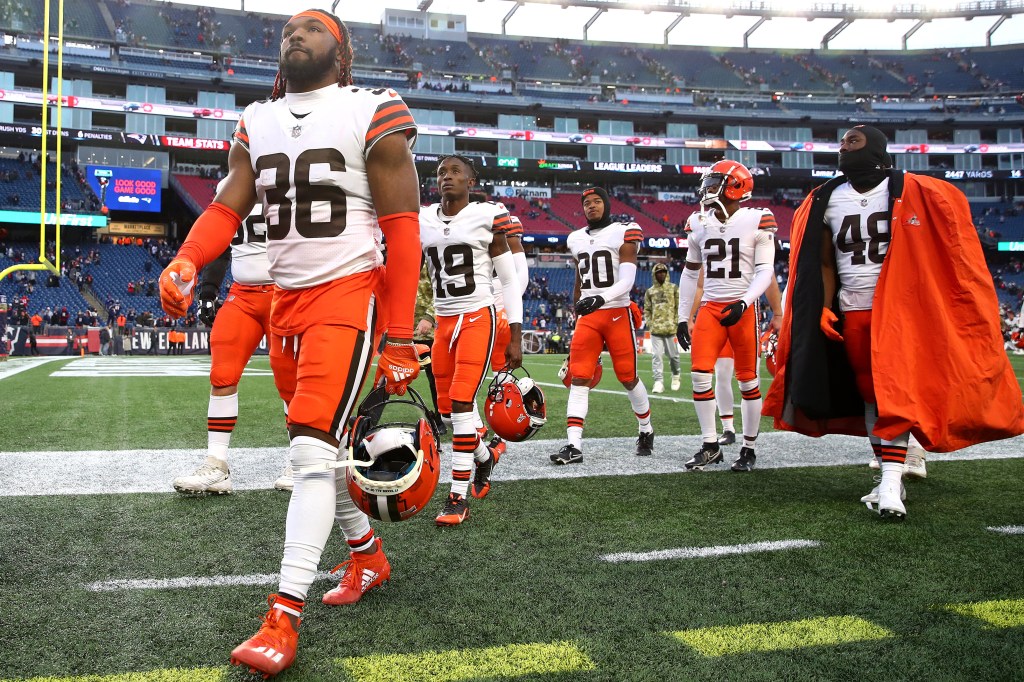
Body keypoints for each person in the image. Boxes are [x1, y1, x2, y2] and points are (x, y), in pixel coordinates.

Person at [158, 9, 422, 677]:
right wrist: (188, 259)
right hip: (283, 304)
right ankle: (367, 557)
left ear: (341, 49)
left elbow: (403, 229)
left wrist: (397, 335)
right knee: (318, 451)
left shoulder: (373, 108)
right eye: (286, 31)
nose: (293, 35)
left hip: (346, 295)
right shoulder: (259, 118)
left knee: (307, 447)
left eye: (310, 27)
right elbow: (227, 204)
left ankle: (283, 614)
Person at [763, 125, 1024, 518]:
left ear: (878, 149)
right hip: (853, 308)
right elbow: (822, 261)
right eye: (842, 142)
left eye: (854, 140)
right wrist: (821, 304)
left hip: (902, 310)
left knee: (895, 395)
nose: (844, 146)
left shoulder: (919, 191)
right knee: (871, 395)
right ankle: (892, 475)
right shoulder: (827, 198)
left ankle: (888, 484)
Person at [419, 155, 523, 525]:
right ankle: (485, 456)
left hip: (478, 317)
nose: (447, 177)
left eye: (455, 172)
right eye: (441, 172)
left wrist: (516, 333)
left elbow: (508, 280)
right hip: (444, 321)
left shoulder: (487, 214)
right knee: (448, 412)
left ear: (471, 180)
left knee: (463, 403)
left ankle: (456, 497)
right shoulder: (423, 218)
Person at [172, 186, 293, 495]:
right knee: (222, 373)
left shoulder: (290, 173)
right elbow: (220, 245)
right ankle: (217, 464)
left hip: (288, 292)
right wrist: (209, 292)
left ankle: (303, 459)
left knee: (291, 380)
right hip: (243, 294)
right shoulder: (231, 185)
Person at [676, 160, 776, 472]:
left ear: (735, 186)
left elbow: (765, 271)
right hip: (711, 307)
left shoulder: (757, 219)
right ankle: (710, 444)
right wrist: (683, 316)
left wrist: (745, 302)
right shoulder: (699, 222)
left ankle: (748, 448)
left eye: (714, 181)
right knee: (700, 375)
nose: (707, 188)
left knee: (747, 380)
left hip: (742, 308)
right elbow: (691, 273)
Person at [552, 186, 653, 464]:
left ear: (607, 205)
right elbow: (579, 278)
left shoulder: (624, 231)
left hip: (616, 312)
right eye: (586, 203)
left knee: (628, 377)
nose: (591, 206)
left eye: (597, 201)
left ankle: (646, 429)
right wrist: (578, 306)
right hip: (588, 316)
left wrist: (599, 299)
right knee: (579, 377)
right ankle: (573, 445)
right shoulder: (575, 238)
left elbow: (627, 280)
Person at [680, 267, 784, 446]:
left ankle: (749, 436)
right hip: (717, 312)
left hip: (746, 311)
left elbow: (768, 275)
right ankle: (728, 427)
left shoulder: (753, 239)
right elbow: (700, 283)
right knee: (722, 373)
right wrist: (689, 317)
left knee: (750, 377)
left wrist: (778, 313)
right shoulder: (711, 240)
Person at [643, 262, 680, 394]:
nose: (661, 274)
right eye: (658, 272)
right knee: (656, 356)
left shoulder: (674, 288)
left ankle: (676, 376)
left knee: (673, 356)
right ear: (654, 274)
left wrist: (676, 322)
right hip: (656, 330)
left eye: (663, 272)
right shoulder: (650, 292)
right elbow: (647, 309)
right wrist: (649, 323)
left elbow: (678, 307)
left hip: (670, 329)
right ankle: (658, 382)